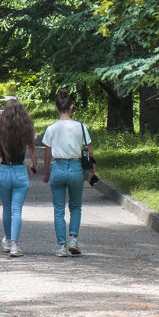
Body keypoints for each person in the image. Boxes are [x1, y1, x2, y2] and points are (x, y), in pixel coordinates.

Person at [42, 89, 95, 257]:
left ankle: (61, 246)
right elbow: (88, 151)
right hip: (75, 168)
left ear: (56, 108)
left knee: (58, 209)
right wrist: (93, 171)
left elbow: (48, 154)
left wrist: (46, 173)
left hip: (58, 167)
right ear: (71, 107)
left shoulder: (51, 128)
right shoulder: (80, 127)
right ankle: (73, 238)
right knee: (76, 206)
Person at [0, 98, 38, 257]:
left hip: (5, 170)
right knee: (17, 209)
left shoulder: (0, 130)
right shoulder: (26, 129)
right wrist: (34, 165)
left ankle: (6, 239)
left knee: (6, 208)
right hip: (20, 170)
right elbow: (33, 151)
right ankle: (14, 245)